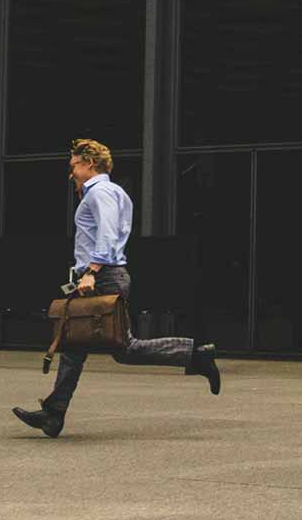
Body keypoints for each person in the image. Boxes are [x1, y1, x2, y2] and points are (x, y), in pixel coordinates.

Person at [12, 138, 220, 438]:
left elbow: (108, 234)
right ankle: (54, 413)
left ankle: (195, 354)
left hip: (102, 276)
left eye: (74, 166)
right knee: (74, 343)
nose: (71, 173)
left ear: (89, 163)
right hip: (104, 274)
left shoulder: (101, 193)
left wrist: (91, 272)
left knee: (122, 347)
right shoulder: (110, 192)